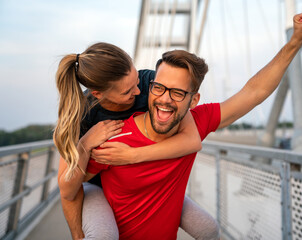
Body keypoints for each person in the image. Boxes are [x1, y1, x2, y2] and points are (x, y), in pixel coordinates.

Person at [83, 12, 302, 240]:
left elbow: (255, 92)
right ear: (150, 87)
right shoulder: (114, 135)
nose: (165, 99)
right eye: (159, 88)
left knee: (209, 229)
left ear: (193, 100)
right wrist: (84, 144)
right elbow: (74, 183)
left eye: (177, 92)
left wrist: (294, 43)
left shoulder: (197, 122)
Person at [54, 42, 219, 239]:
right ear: (97, 93)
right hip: (98, 185)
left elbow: (192, 140)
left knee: (208, 228)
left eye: (136, 81)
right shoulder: (79, 115)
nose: (139, 91)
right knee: (103, 236)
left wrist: (133, 155)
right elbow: (67, 190)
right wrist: (85, 143)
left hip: (140, 183)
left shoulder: (149, 82)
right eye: (127, 91)